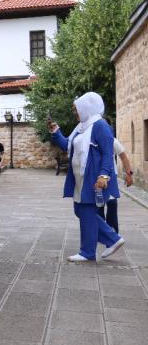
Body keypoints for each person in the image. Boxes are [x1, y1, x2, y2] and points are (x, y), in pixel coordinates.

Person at [50, 92, 125, 262]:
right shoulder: (81, 127)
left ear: (86, 107)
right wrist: (56, 132)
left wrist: (104, 175)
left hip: (92, 178)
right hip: (79, 178)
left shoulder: (100, 126)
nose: (74, 112)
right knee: (81, 211)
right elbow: (68, 147)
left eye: (76, 109)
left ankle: (91, 250)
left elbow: (107, 154)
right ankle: (111, 240)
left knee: (86, 211)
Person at [98, 118, 134, 233]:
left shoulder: (112, 141)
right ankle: (101, 231)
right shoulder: (92, 140)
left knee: (112, 203)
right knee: (98, 205)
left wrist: (129, 174)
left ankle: (112, 231)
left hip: (111, 177)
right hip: (96, 177)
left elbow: (123, 156)